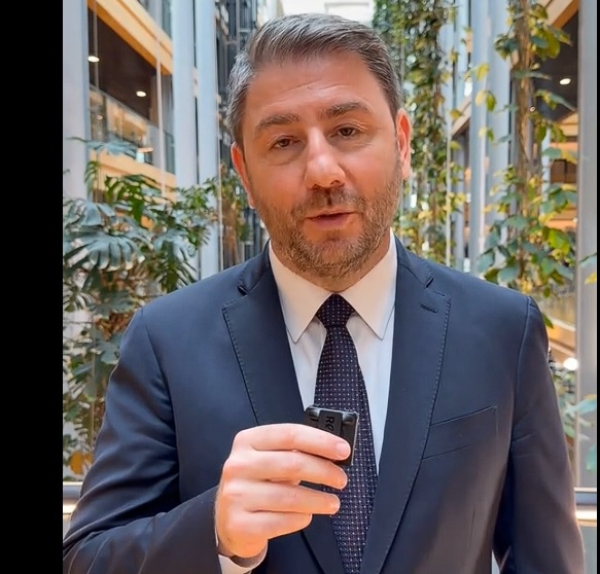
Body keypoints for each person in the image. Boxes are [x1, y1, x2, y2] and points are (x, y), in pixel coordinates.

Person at [63, 12, 585, 574]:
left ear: (402, 143)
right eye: (284, 141)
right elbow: (87, 556)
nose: (322, 171)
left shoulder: (503, 331)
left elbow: (546, 561)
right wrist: (215, 531)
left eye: (348, 131)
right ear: (244, 173)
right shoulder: (167, 341)